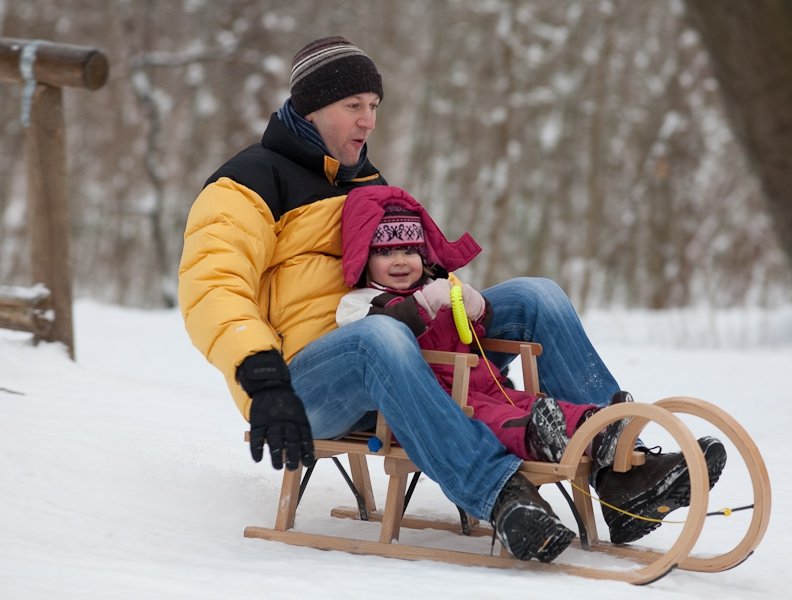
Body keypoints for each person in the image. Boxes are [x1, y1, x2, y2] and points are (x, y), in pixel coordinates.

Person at [178, 35, 726, 562]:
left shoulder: (366, 181)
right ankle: (499, 494)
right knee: (379, 335)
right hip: (303, 383)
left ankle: (618, 470)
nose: (368, 120)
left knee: (537, 296)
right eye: (353, 105)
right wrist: (263, 378)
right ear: (312, 107)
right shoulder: (246, 184)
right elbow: (213, 288)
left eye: (374, 105)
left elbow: (411, 270)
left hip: (398, 353)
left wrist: (451, 295)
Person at [337, 185, 631, 467]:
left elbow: (470, 335)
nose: (400, 261)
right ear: (364, 258)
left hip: (482, 384)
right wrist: (423, 304)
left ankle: (596, 426)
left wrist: (477, 310)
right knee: (496, 420)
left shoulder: (434, 288)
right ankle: (539, 438)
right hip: (432, 405)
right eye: (385, 253)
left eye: (409, 251)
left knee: (525, 403)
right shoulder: (361, 302)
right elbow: (374, 340)